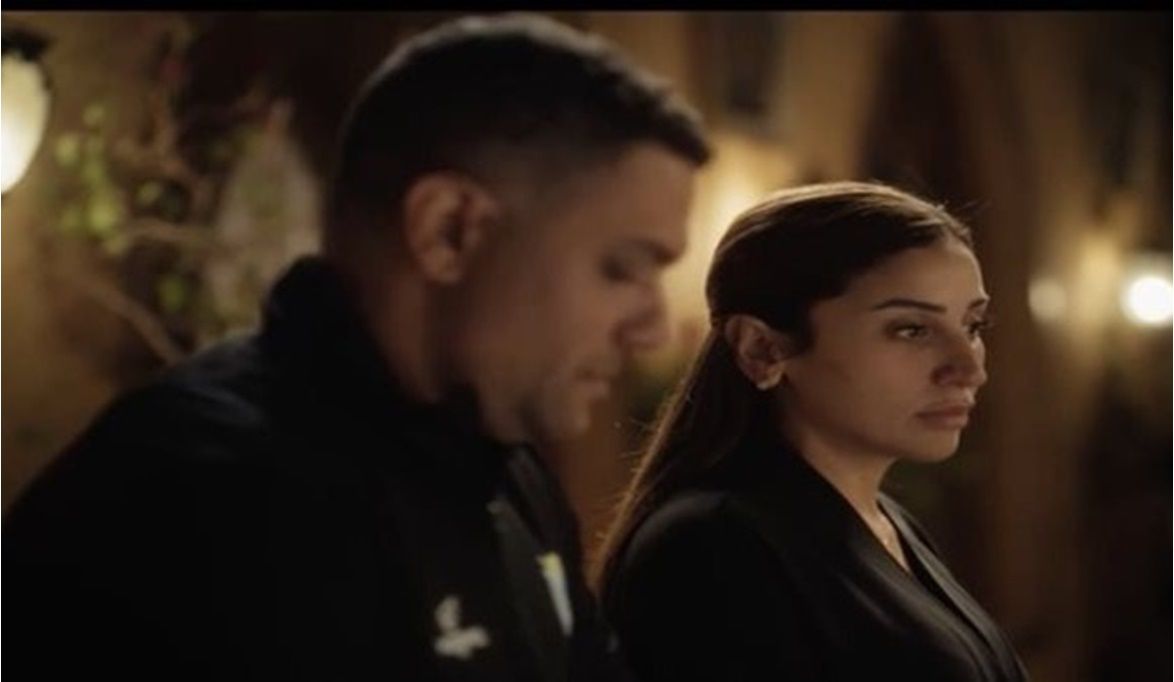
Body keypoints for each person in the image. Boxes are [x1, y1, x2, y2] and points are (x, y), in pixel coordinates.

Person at [4, 14, 709, 681]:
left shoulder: (509, 480)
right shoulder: (184, 505)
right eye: (621, 268)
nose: (653, 329)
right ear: (449, 231)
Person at [596, 181, 1030, 681]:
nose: (969, 369)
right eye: (911, 329)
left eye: (973, 327)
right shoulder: (713, 548)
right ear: (761, 348)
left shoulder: (887, 522)